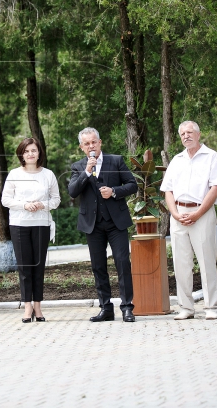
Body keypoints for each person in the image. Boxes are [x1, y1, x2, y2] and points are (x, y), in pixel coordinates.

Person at [68, 127, 138, 322]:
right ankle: (106, 308)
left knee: (122, 263)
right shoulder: (78, 166)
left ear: (100, 142)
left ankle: (127, 307)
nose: (91, 146)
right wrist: (86, 171)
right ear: (82, 147)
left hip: (116, 223)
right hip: (93, 225)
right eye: (87, 143)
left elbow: (132, 184)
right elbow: (73, 191)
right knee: (98, 267)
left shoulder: (115, 160)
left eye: (94, 142)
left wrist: (114, 191)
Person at [161, 121, 217, 320]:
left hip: (202, 213)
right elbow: (168, 190)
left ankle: (211, 307)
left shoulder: (211, 157)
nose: (186, 136)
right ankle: (186, 308)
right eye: (182, 133)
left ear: (198, 134)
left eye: (189, 132)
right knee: (181, 264)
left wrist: (197, 214)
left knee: (206, 262)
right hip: (178, 214)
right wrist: (174, 213)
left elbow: (215, 188)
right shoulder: (177, 160)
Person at [1, 137, 61, 323]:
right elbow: (6, 200)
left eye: (33, 150)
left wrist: (41, 205)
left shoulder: (48, 175)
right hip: (19, 224)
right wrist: (25, 205)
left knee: (38, 266)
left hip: (41, 224)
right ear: (22, 154)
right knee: (25, 267)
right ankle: (27, 307)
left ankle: (38, 306)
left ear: (39, 153)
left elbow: (56, 200)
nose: (30, 154)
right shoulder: (14, 174)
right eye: (26, 151)